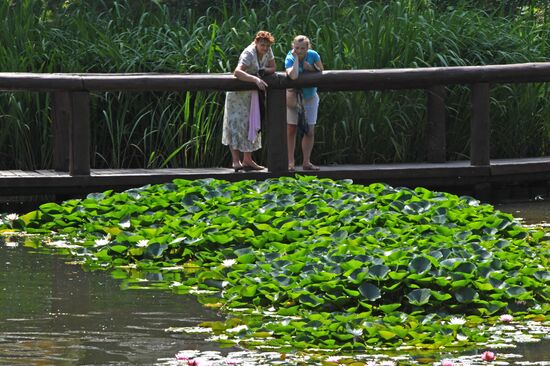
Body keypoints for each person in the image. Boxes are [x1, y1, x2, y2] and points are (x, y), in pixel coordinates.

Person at [222, 30, 276, 171]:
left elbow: (273, 67)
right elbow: (237, 72)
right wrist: (255, 79)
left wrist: (263, 71)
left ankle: (248, 160)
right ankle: (236, 161)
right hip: (237, 96)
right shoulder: (249, 53)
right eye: (262, 45)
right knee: (235, 124)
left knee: (251, 124)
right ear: (256, 42)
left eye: (267, 46)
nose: (264, 48)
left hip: (251, 96)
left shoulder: (268, 50)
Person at [285, 35, 324, 171]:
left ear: (308, 48)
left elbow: (321, 70)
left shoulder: (313, 55)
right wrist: (296, 59)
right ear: (293, 47)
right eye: (296, 48)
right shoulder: (290, 57)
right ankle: (290, 162)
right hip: (293, 97)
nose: (300, 50)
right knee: (291, 129)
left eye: (302, 48)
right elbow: (293, 75)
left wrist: (311, 68)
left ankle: (306, 162)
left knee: (309, 131)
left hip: (310, 96)